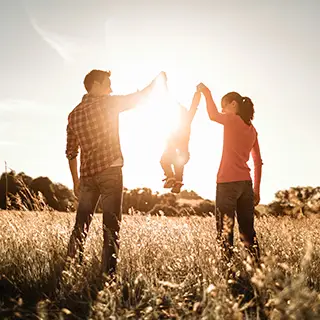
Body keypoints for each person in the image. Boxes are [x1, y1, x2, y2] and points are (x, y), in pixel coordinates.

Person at [65, 69, 167, 276]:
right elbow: (138, 98)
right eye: (107, 84)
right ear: (94, 84)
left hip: (86, 176)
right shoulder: (108, 103)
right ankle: (108, 276)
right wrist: (157, 81)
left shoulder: (73, 114)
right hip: (110, 171)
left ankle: (71, 269)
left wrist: (76, 181)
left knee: (80, 226)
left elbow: (70, 152)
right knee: (111, 227)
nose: (111, 89)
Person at [197, 83, 263, 264]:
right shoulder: (252, 130)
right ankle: (258, 271)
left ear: (233, 104)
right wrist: (256, 190)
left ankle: (228, 273)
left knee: (225, 232)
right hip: (246, 185)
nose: (222, 111)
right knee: (248, 233)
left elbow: (212, 115)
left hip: (227, 183)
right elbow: (257, 162)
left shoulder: (232, 119)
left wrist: (206, 92)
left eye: (223, 106)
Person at [160, 90, 201, 193]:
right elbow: (193, 106)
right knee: (179, 163)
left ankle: (170, 177)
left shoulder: (172, 124)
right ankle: (177, 182)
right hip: (183, 155)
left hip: (171, 154)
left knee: (164, 161)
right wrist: (198, 93)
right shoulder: (187, 120)